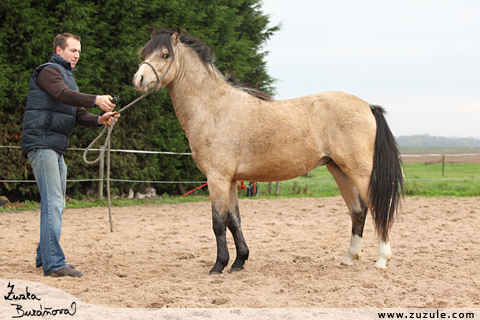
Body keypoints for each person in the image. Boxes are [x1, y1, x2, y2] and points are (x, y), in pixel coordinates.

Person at [21, 33, 121, 278]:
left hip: (55, 146)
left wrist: (99, 119)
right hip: (42, 142)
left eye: (78, 51)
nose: (77, 55)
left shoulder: (68, 79)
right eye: (72, 50)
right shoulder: (48, 72)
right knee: (53, 202)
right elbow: (63, 96)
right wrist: (96, 99)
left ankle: (45, 255)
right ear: (59, 50)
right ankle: (54, 263)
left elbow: (77, 114)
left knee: (57, 202)